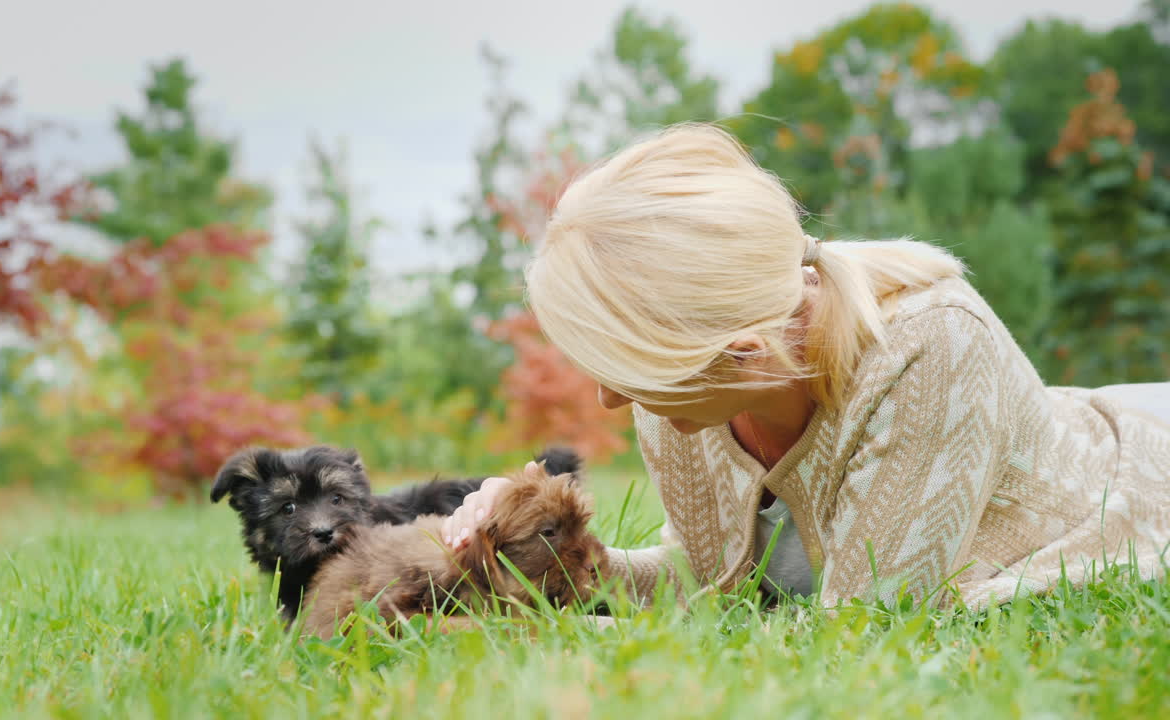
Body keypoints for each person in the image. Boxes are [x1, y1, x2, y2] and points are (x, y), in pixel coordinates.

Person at [441, 123, 1170, 610]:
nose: (609, 398)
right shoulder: (687, 392)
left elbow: (867, 624)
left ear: (744, 355)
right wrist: (539, 552)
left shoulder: (932, 349)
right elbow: (705, 582)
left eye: (627, 366)